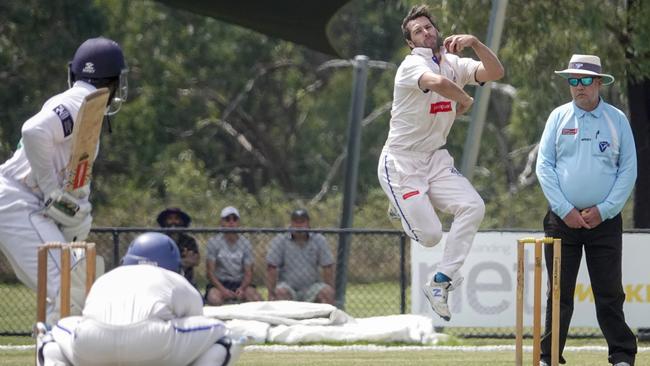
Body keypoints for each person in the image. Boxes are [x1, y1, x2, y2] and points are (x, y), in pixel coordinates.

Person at [377, 4, 504, 321]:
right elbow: (437, 84)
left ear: (436, 29)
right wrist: (464, 98)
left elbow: (495, 72)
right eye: (417, 31)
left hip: (435, 158)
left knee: (473, 206)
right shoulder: (410, 66)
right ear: (411, 42)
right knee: (431, 236)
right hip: (401, 163)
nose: (426, 32)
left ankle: (440, 282)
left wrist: (475, 42)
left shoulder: (455, 63)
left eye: (428, 27)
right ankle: (399, 206)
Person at [0, 37, 128, 321]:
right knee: (70, 289)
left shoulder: (86, 105)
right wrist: (50, 191)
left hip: (26, 203)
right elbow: (33, 131)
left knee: (76, 285)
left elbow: (71, 175)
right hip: (17, 200)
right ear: (114, 81)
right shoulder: (77, 102)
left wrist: (75, 208)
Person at [536, 54, 637, 366]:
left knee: (609, 294)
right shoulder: (558, 117)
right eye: (572, 81)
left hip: (604, 223)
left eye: (583, 80)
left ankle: (621, 355)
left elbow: (628, 171)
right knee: (559, 296)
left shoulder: (617, 120)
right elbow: (544, 167)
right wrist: (565, 209)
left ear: (597, 83)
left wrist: (605, 210)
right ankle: (549, 357)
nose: (577, 87)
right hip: (561, 221)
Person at [35, 232, 242, 366]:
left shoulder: (107, 278)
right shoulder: (174, 279)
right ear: (171, 262)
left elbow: (88, 315)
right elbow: (196, 318)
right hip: (152, 342)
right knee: (228, 335)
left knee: (51, 334)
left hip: (92, 345)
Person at [266, 209, 335, 305]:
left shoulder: (319, 240)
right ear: (291, 223)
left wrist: (331, 290)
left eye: (302, 222)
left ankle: (326, 319)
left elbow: (328, 267)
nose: (299, 225)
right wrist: (270, 294)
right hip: (288, 286)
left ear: (308, 223)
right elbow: (271, 268)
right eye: (296, 222)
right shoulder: (281, 240)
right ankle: (285, 320)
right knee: (280, 292)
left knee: (327, 292)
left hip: (312, 287)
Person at [205, 206, 262, 305]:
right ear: (222, 222)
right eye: (227, 219)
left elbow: (249, 272)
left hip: (240, 282)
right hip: (220, 283)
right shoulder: (213, 242)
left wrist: (242, 288)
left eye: (234, 219)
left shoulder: (246, 244)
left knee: (256, 298)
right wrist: (223, 290)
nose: (231, 222)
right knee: (214, 298)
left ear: (238, 222)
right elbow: (210, 273)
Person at [157, 207, 200, 287]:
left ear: (182, 221)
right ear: (165, 221)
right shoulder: (159, 240)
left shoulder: (189, 241)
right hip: (163, 280)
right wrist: (182, 262)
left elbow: (195, 260)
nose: (173, 222)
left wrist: (168, 263)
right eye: (170, 218)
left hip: (185, 280)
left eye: (176, 219)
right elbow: (155, 262)